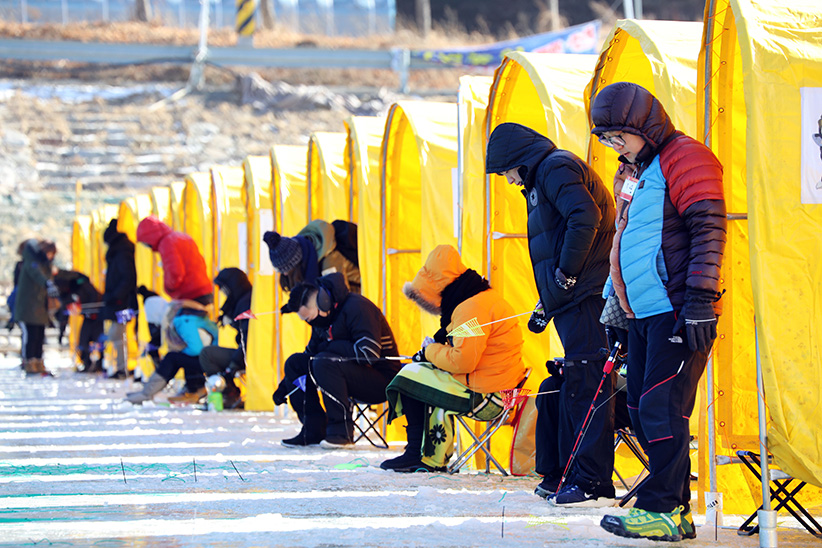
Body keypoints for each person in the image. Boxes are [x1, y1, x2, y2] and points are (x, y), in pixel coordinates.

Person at [590, 82, 726, 542]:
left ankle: (662, 508)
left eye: (618, 135)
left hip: (677, 307)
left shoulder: (684, 157)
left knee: (659, 408)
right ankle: (677, 511)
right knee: (638, 406)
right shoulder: (634, 170)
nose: (614, 146)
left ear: (643, 125)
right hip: (641, 311)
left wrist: (701, 300)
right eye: (606, 139)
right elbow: (622, 240)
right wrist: (614, 303)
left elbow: (708, 226)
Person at [485, 122, 617, 507]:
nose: (508, 180)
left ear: (517, 161)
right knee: (567, 386)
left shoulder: (555, 167)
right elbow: (559, 240)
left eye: (506, 172)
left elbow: (584, 218)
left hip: (588, 296)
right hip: (573, 299)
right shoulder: (542, 180)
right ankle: (568, 472)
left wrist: (566, 277)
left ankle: (592, 481)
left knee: (588, 384)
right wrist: (548, 301)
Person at [380, 245, 526, 473]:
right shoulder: (479, 298)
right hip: (499, 387)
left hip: (489, 396)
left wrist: (430, 351)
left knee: (408, 377)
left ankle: (417, 453)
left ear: (439, 290)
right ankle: (422, 453)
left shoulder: (471, 309)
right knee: (421, 373)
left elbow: (463, 362)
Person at [272, 271, 400, 448]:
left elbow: (368, 353)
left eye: (309, 318)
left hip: (382, 379)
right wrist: (285, 386)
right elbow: (309, 356)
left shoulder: (358, 307)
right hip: (345, 373)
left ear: (323, 302)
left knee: (324, 362)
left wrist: (330, 347)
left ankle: (341, 432)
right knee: (296, 363)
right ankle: (313, 429)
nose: (310, 323)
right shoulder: (322, 320)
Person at [126, 296, 218, 404]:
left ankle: (147, 393)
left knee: (172, 358)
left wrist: (180, 353)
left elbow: (197, 349)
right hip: (212, 356)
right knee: (177, 356)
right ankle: (148, 391)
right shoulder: (182, 314)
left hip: (212, 359)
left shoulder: (183, 320)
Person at [199, 267, 253, 409]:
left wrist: (233, 364)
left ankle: (226, 391)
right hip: (245, 352)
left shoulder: (244, 303)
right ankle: (227, 390)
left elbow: (248, 338)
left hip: (248, 354)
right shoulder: (242, 299)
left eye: (225, 288)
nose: (224, 293)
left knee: (207, 354)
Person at [263, 219, 360, 294]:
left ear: (295, 263)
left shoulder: (329, 263)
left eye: (285, 270)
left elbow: (343, 298)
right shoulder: (311, 253)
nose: (284, 274)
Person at [135, 216, 214, 306]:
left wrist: (168, 288)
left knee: (180, 319)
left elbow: (175, 272)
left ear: (150, 237)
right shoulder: (181, 236)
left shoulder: (166, 243)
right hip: (204, 290)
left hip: (190, 295)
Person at [14, 239, 59, 376]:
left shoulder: (44, 264)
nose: (51, 257)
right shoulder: (32, 263)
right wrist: (48, 284)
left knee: (39, 335)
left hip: (39, 307)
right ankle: (29, 363)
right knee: (30, 335)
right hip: (28, 307)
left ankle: (38, 363)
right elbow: (37, 275)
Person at [101, 218, 138, 379]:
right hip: (120, 302)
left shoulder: (121, 254)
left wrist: (116, 296)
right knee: (118, 334)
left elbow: (127, 277)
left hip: (122, 304)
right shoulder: (122, 252)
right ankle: (121, 367)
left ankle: (122, 368)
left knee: (118, 334)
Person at [53, 270, 105, 373]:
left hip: (96, 313)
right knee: (83, 339)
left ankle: (99, 363)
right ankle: (87, 363)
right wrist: (61, 331)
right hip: (88, 315)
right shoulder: (66, 292)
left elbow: (94, 295)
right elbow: (64, 311)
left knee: (98, 339)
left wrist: (93, 311)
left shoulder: (80, 283)